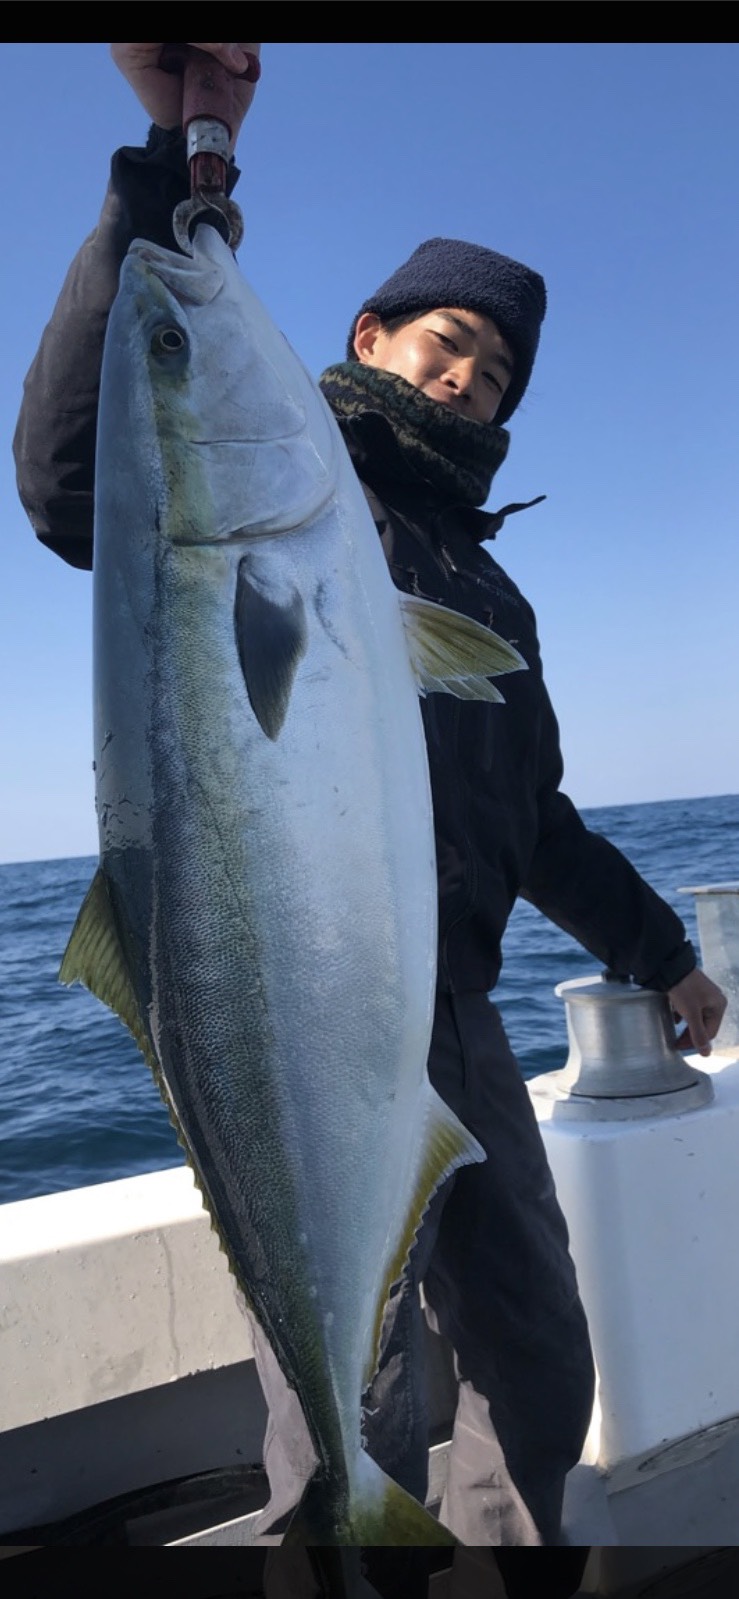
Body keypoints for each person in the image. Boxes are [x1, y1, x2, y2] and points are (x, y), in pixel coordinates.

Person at [13, 41, 727, 1577]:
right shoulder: (300, 484)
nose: (468, 377)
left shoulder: (482, 588)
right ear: (369, 336)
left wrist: (662, 951)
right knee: (361, 1401)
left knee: (540, 1361)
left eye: (498, 368)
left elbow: (533, 817)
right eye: (447, 343)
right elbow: (76, 481)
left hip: (451, 1007)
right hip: (290, 1019)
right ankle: (341, 1540)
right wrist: (163, 172)